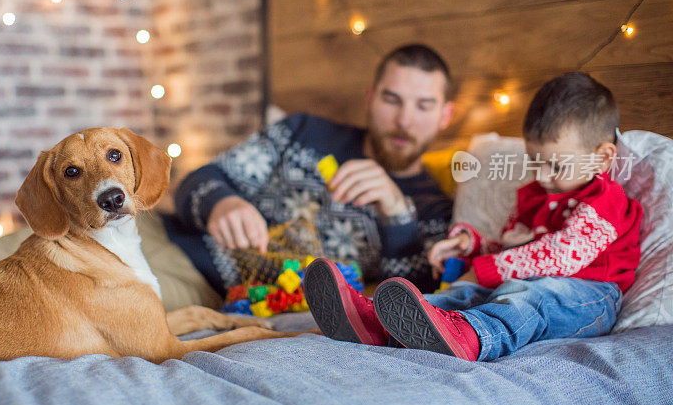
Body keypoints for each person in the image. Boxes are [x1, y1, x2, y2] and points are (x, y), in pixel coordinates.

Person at [303, 72, 642, 357]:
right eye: (534, 161)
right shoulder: (536, 196)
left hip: (586, 299)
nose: (541, 174)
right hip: (524, 282)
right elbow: (513, 250)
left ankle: (471, 338)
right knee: (461, 294)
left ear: (602, 157)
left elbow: (560, 256)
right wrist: (472, 245)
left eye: (555, 165)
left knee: (528, 297)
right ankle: (378, 323)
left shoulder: (605, 200)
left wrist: (483, 271)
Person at [168, 44, 455, 297]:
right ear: (370, 99)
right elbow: (196, 180)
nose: (404, 120)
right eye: (391, 100)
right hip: (177, 249)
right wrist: (221, 202)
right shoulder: (303, 132)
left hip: (226, 298)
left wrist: (397, 215)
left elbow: (408, 308)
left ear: (445, 115)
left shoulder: (435, 212)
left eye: (424, 106)